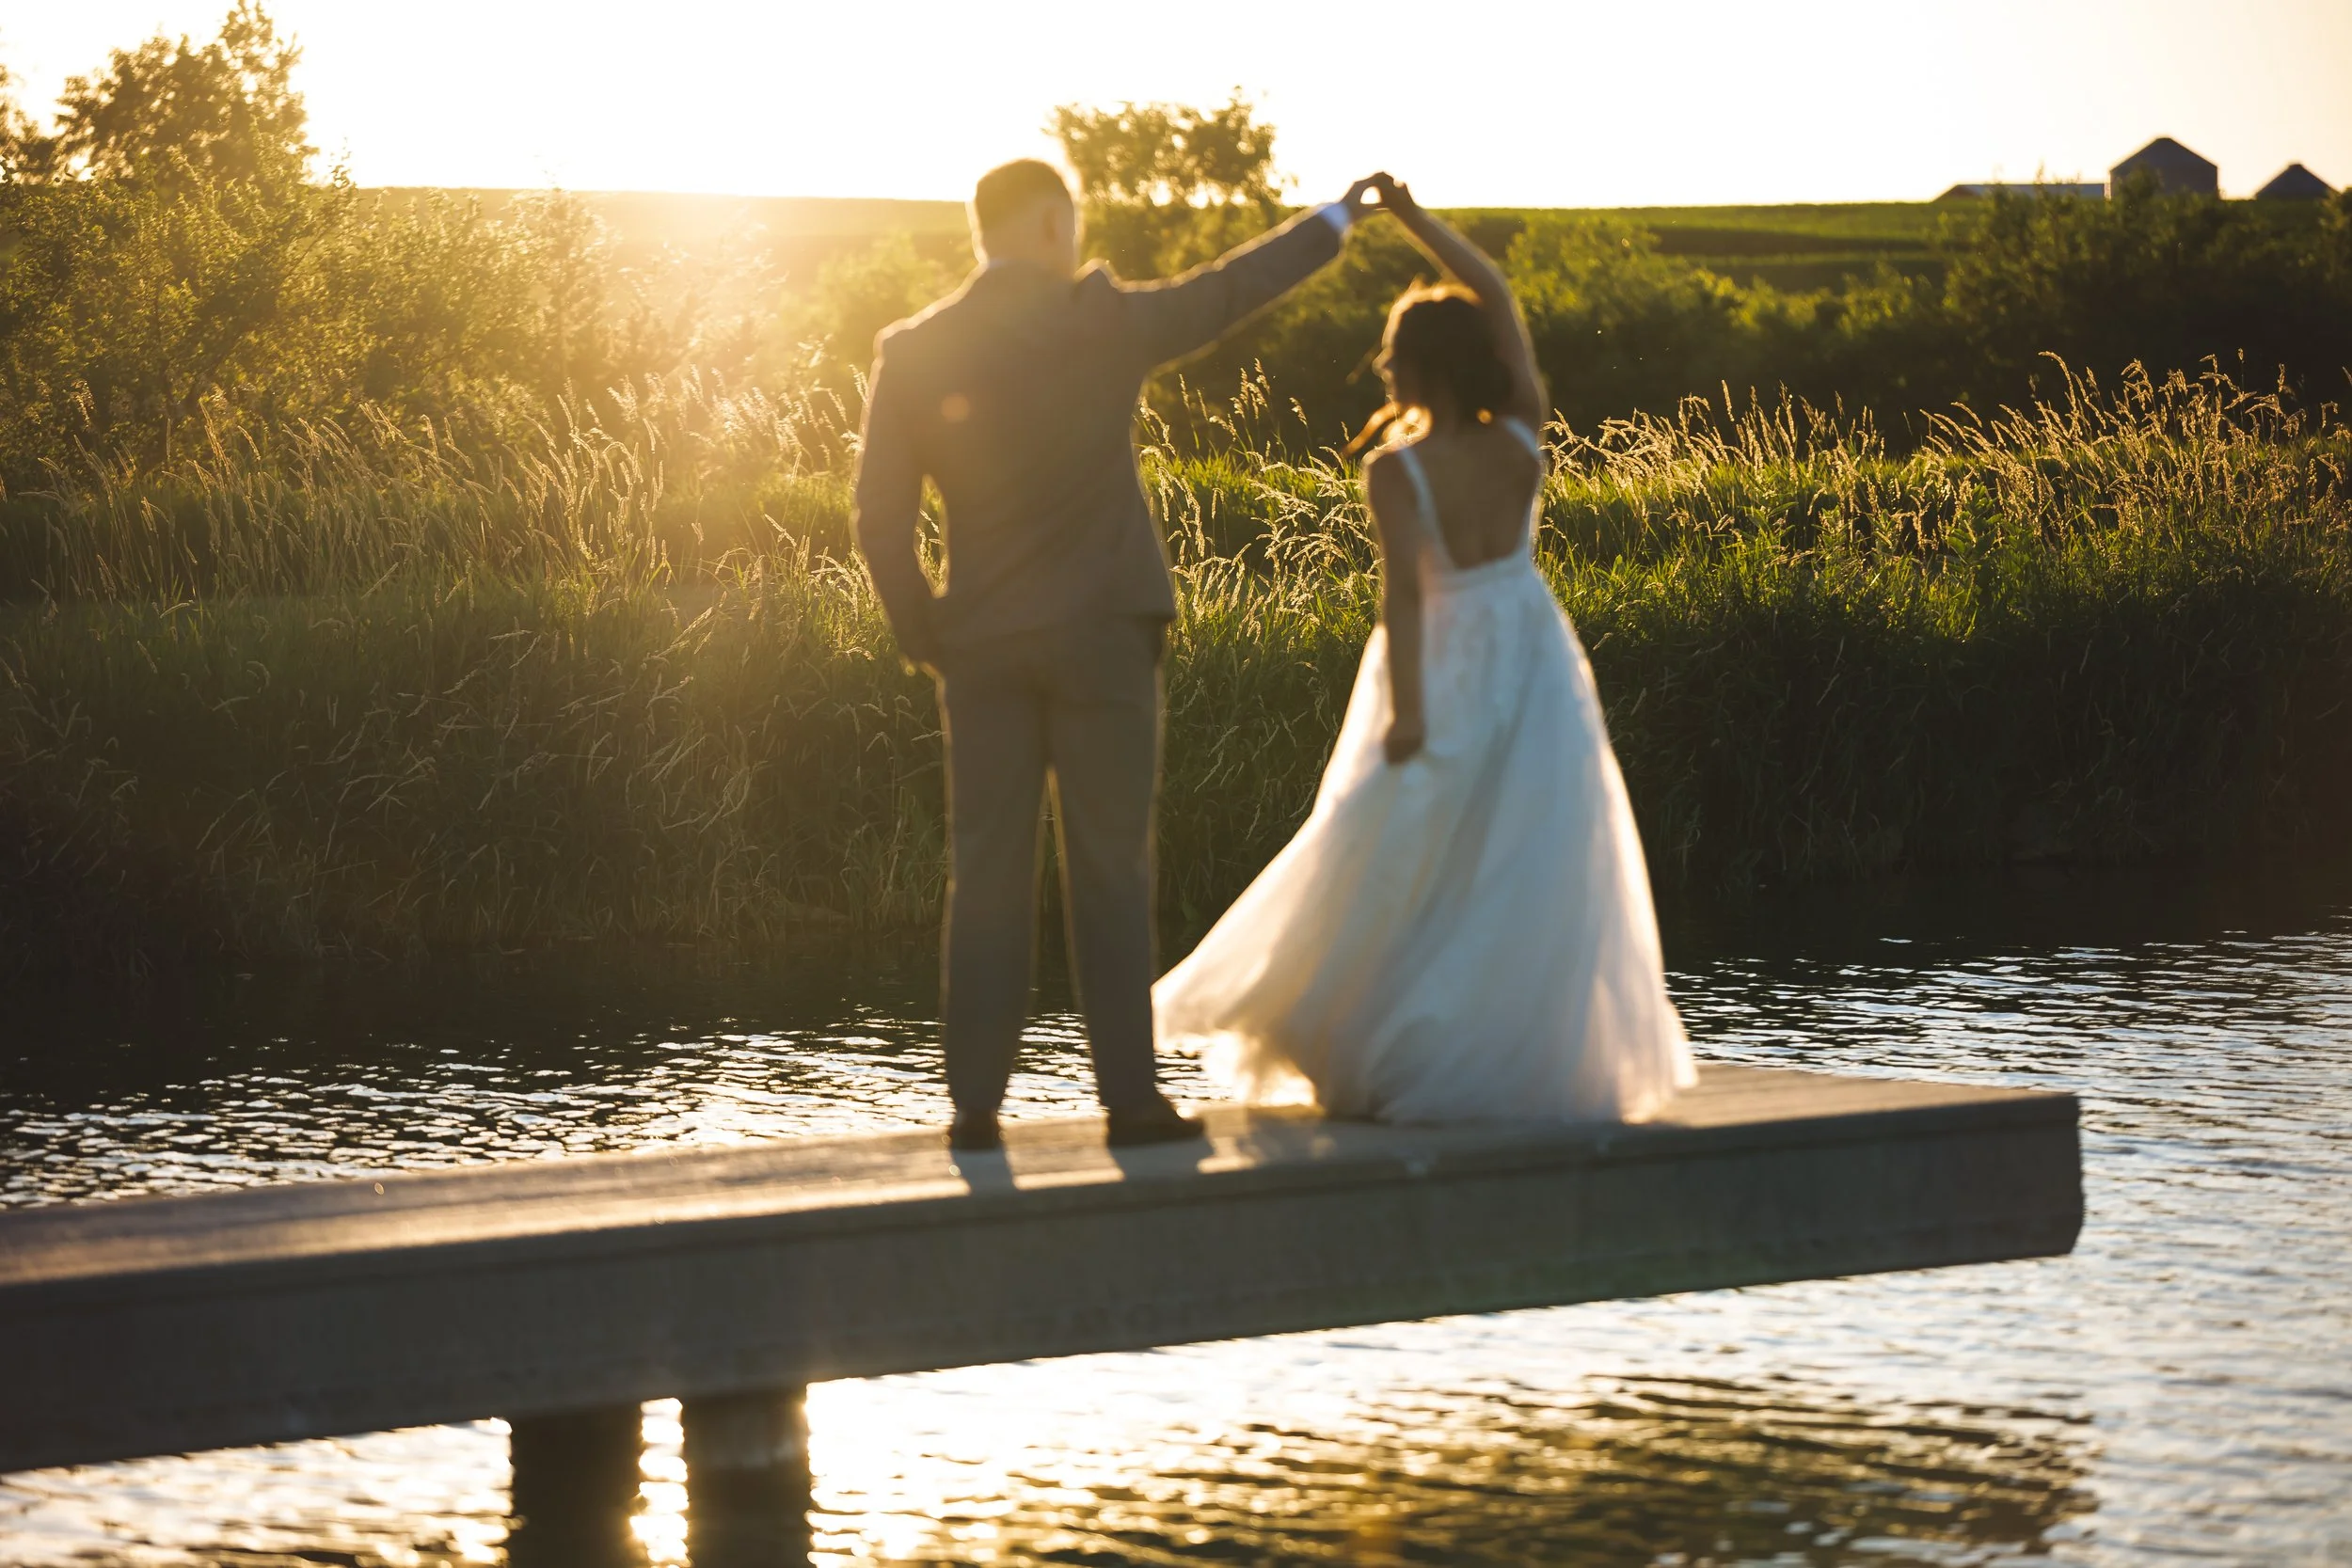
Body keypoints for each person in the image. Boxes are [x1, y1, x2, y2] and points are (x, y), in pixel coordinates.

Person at [854, 158, 1382, 1151]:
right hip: (1103, 636)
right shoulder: (1102, 321)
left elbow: (878, 520)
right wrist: (1335, 218)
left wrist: (930, 634)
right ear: (1053, 224)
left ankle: (974, 1110)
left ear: (984, 230)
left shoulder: (915, 348)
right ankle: (1129, 1104)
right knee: (1109, 870)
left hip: (982, 646)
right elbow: (1232, 288)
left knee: (987, 872)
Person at [1153, 177, 1695, 1123]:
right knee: (1520, 853)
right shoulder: (1522, 432)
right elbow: (1498, 291)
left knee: (1394, 844)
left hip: (1443, 658)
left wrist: (1405, 712)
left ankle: (1371, 1032)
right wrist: (1412, 218)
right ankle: (1487, 1045)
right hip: (1530, 646)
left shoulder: (1395, 467)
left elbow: (1403, 596)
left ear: (1408, 368)